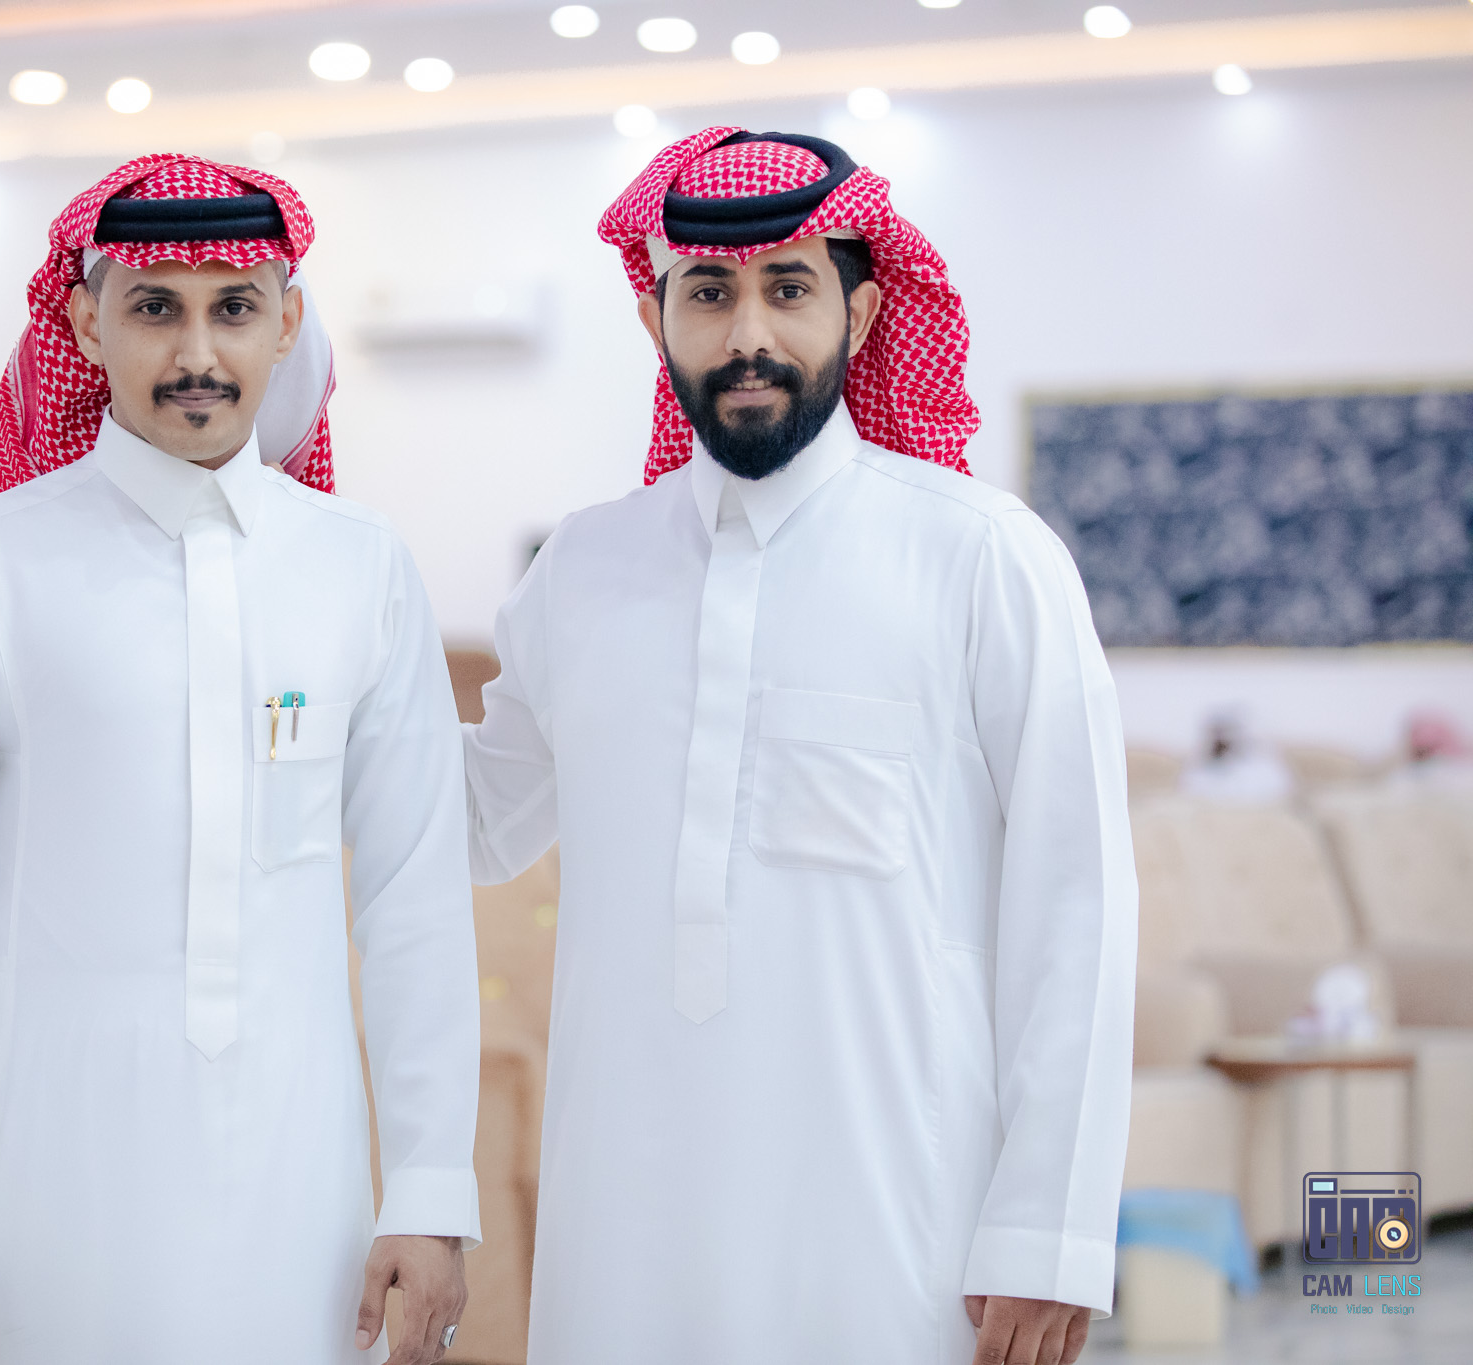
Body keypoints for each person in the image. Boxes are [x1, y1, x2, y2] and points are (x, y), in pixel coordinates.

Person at [463, 129, 1136, 1365]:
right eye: (706, 294)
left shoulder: (981, 557)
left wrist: (1048, 1232)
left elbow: (1075, 908)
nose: (747, 334)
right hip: (624, 1231)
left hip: (895, 1232)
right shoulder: (585, 567)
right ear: (654, 317)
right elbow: (469, 821)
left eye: (787, 288)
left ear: (861, 312)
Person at [0, 154, 480, 1364]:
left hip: (296, 1185)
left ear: (284, 323)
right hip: (33, 1177)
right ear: (88, 323)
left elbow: (413, 899)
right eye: (155, 308)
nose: (198, 353)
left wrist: (428, 1188)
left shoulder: (359, 566)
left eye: (233, 308)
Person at [1178, 708, 1294, 804]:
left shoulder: (1264, 773)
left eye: (1226, 733)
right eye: (1217, 733)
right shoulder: (1198, 773)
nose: (1221, 741)